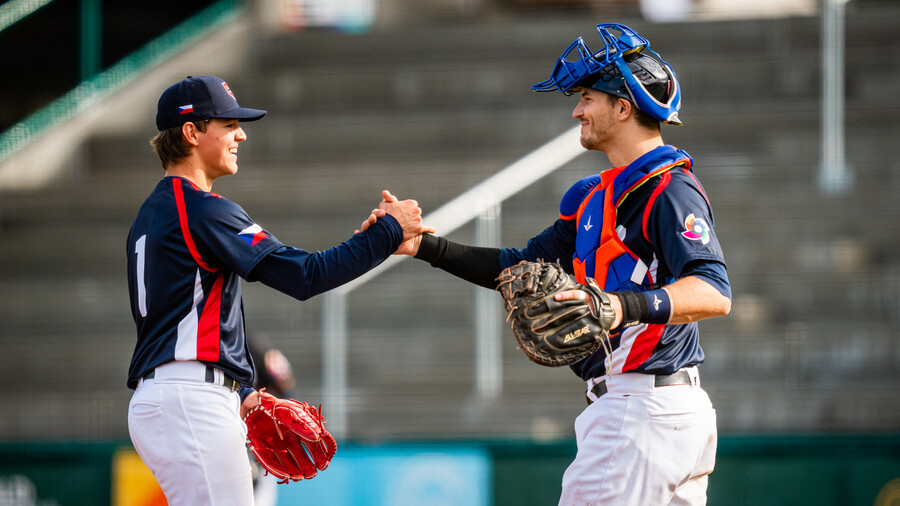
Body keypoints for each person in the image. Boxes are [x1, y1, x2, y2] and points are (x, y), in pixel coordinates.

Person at [372, 23, 732, 505]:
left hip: (642, 410)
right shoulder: (594, 197)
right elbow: (517, 265)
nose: (577, 110)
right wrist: (424, 247)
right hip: (650, 413)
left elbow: (713, 291)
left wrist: (617, 307)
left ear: (623, 108)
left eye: (587, 97)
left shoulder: (669, 188)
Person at [125, 75, 432, 506]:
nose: (241, 135)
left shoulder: (151, 214)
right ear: (192, 132)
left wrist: (241, 391)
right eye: (229, 124)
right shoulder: (202, 210)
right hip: (190, 399)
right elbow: (304, 276)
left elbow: (175, 320)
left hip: (172, 395)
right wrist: (387, 232)